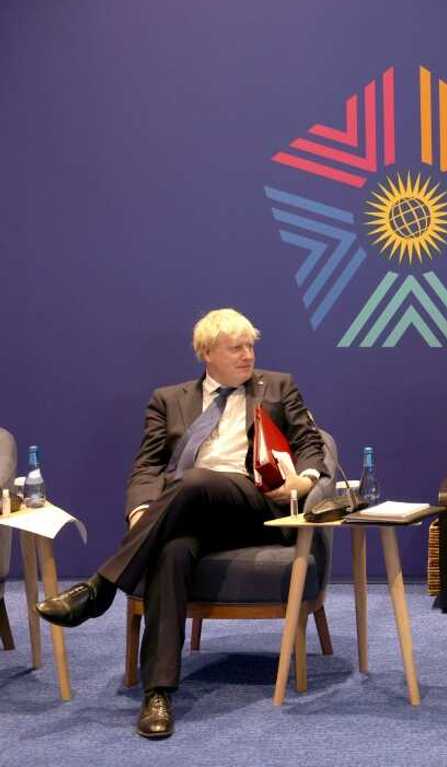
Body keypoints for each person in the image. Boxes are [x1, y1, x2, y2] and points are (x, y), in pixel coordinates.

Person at [36, 309, 326, 739]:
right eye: (236, 348)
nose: (248, 356)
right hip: (186, 511)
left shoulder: (278, 386)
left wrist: (303, 481)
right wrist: (141, 511)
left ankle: (100, 587)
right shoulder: (168, 399)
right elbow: (148, 467)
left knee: (194, 480)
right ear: (206, 353)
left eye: (251, 346)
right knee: (171, 551)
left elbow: (310, 444)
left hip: (257, 506)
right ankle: (158, 693)